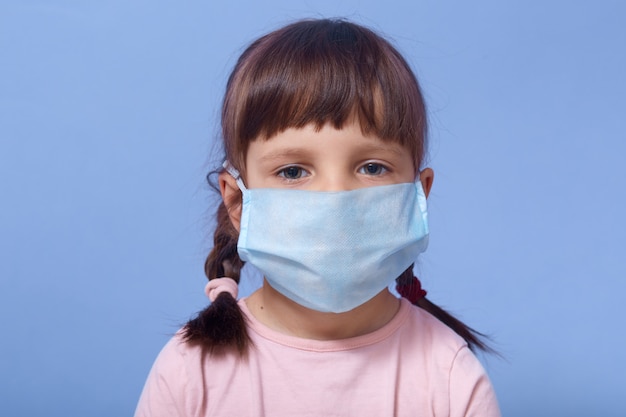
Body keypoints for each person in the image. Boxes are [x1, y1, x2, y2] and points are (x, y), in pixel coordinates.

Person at [135, 18, 500, 417]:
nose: (335, 198)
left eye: (372, 167)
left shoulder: (449, 378)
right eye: (293, 171)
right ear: (238, 201)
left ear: (418, 196)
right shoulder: (192, 372)